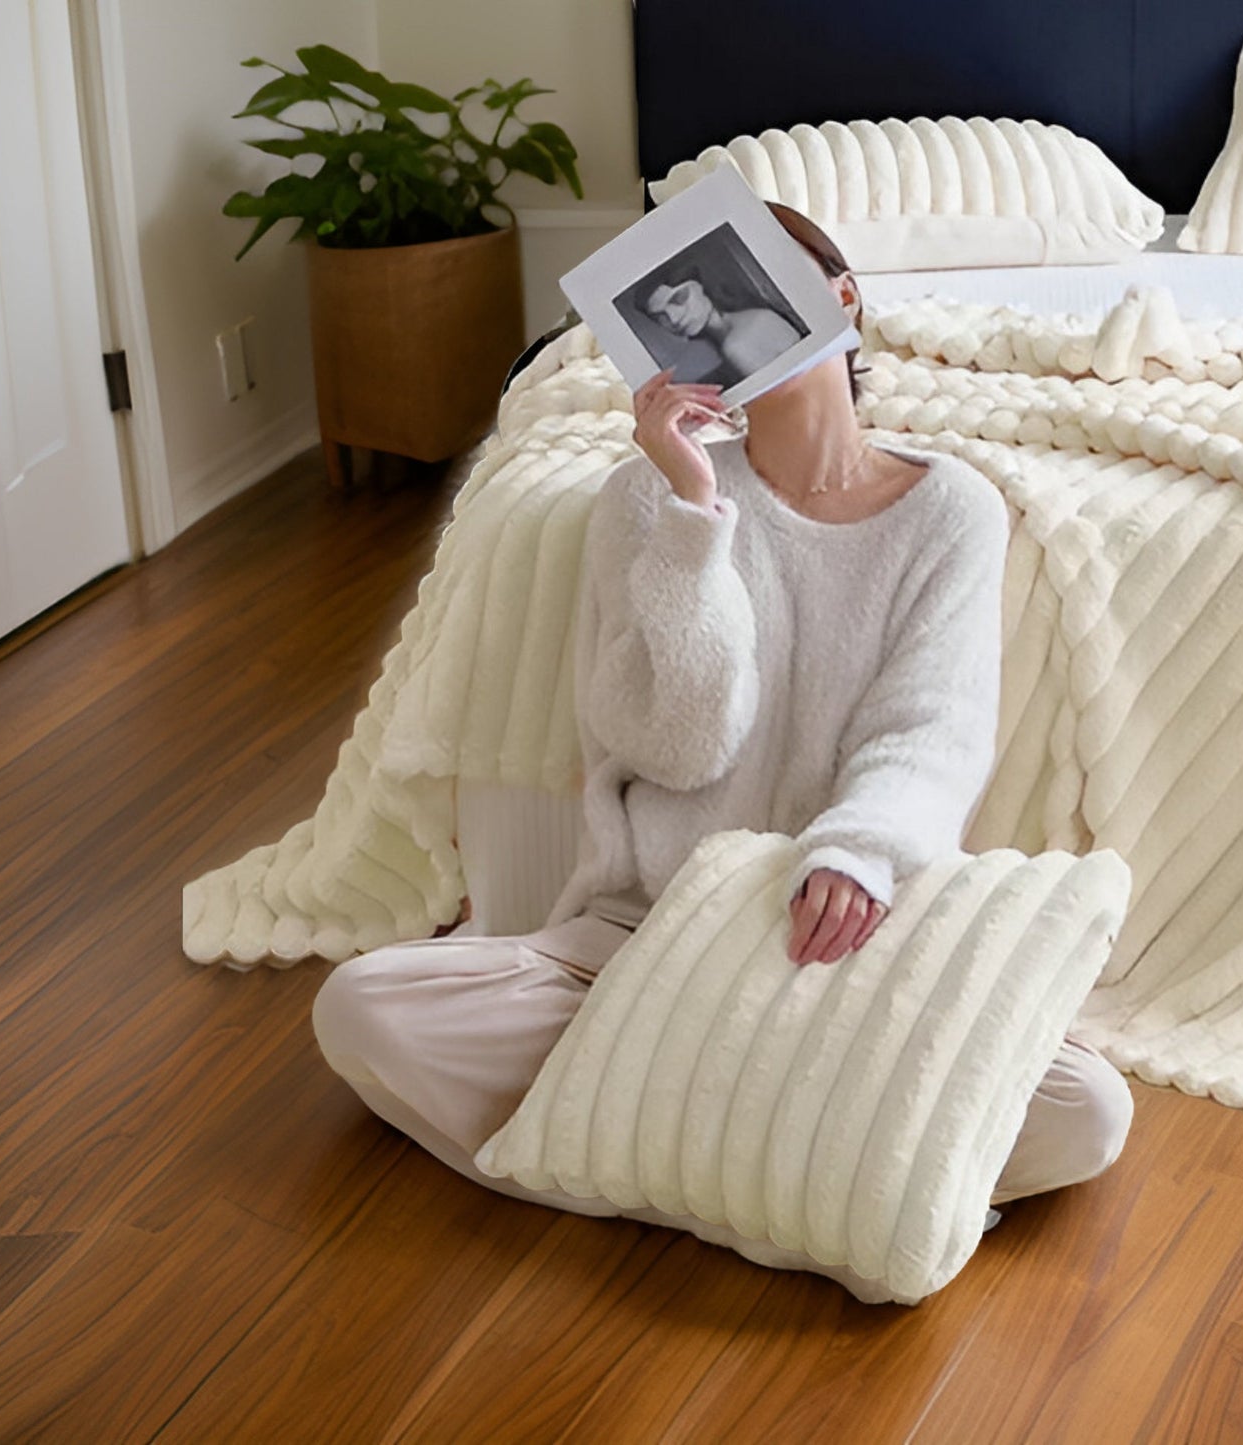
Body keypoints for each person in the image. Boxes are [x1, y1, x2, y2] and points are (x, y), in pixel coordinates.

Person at [312, 204, 1134, 1278]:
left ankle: (645, 1146)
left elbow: (930, 731)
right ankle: (774, 1179)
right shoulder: (641, 502)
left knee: (1086, 1109)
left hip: (831, 939)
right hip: (643, 939)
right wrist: (693, 514)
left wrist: (855, 852)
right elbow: (679, 746)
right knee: (363, 1006)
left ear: (839, 297)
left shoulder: (952, 510)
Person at [641, 272, 801, 386]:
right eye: (661, 317)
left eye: (678, 298)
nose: (674, 318)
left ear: (699, 288)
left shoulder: (737, 345)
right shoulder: (757, 317)